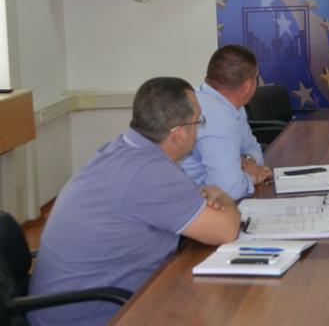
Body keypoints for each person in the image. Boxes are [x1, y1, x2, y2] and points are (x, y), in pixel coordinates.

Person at [28, 77, 241, 326]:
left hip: (65, 304)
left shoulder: (124, 148)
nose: (200, 128)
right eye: (199, 121)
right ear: (178, 134)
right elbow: (226, 230)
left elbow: (187, 203)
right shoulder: (149, 171)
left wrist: (207, 206)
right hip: (90, 317)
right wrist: (223, 196)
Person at [181, 45, 272, 199]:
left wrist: (248, 160)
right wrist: (253, 177)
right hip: (190, 204)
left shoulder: (231, 104)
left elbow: (252, 147)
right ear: (248, 86)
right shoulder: (215, 115)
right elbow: (228, 190)